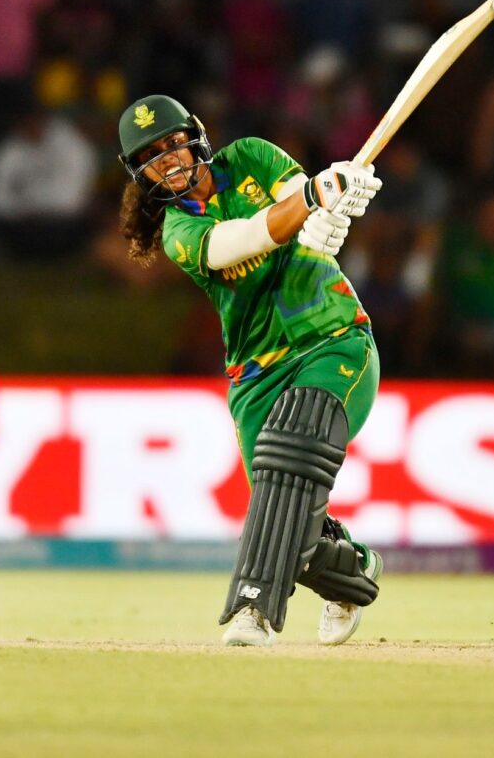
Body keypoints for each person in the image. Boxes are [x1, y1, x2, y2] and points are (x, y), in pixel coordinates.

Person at [116, 95, 383, 647]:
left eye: (173, 144)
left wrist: (326, 208)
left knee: (291, 449)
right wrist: (309, 202)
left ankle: (251, 610)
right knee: (281, 505)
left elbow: (295, 198)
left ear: (197, 136)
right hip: (257, 374)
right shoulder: (178, 231)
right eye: (153, 156)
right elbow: (239, 241)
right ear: (140, 173)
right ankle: (351, 571)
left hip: (333, 339)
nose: (169, 160)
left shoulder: (251, 155)